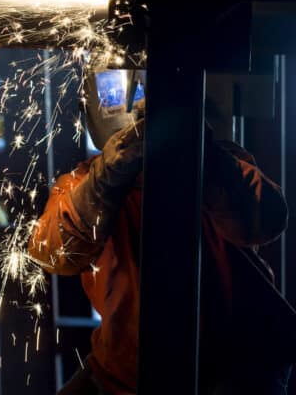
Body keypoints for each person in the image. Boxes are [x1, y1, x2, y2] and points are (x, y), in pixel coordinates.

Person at [28, 87, 292, 393]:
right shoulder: (83, 183)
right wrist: (103, 184)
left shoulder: (219, 161)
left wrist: (201, 158)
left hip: (238, 367)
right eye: (115, 93)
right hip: (127, 371)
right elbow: (52, 254)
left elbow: (268, 219)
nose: (136, 105)